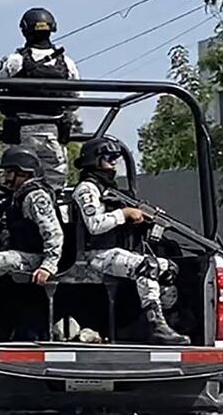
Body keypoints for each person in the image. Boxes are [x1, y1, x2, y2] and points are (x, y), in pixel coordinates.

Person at [72, 138, 190, 345]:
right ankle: (156, 326)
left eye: (116, 158)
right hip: (96, 255)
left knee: (169, 268)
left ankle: (159, 321)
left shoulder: (111, 190)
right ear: (94, 161)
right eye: (108, 158)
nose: (114, 163)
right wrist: (125, 213)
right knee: (147, 266)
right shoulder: (87, 189)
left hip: (116, 253)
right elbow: (95, 224)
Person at [0, 147, 64, 330]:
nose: (6, 178)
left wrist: (48, 266)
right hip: (16, 251)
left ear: (24, 173)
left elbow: (54, 233)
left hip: (33, 258)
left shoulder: (35, 196)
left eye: (10, 172)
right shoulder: (14, 197)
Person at [0, 7, 80, 191]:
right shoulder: (67, 63)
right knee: (55, 188)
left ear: (24, 30)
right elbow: (76, 99)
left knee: (9, 185)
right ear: (52, 29)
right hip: (54, 136)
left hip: (19, 135)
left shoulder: (13, 61)